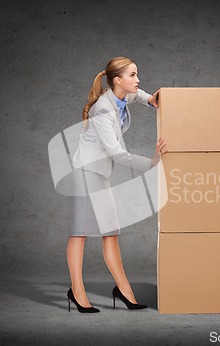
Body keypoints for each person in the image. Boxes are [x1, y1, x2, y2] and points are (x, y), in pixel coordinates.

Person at [66, 56, 167, 313]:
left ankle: (124, 291)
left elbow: (135, 96)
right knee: (80, 232)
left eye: (137, 74)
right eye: (133, 75)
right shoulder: (103, 109)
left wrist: (149, 99)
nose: (138, 80)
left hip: (99, 173)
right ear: (117, 80)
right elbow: (117, 153)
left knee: (110, 231)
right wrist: (153, 162)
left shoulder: (120, 96)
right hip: (86, 171)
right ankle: (77, 292)